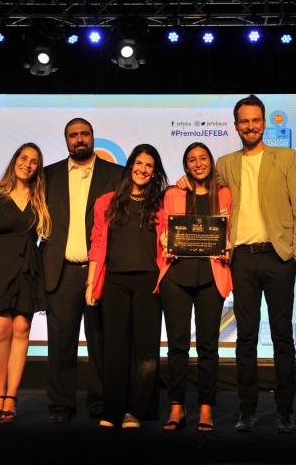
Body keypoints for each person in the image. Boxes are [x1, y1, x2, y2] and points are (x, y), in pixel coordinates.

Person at [178, 94, 296, 433]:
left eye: (256, 120)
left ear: (264, 123)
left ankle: (285, 411)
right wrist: (185, 182)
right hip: (241, 260)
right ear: (236, 125)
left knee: (282, 336)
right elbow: (206, 192)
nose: (250, 126)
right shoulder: (224, 163)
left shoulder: (287, 157)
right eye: (244, 121)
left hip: (279, 258)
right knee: (245, 338)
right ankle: (247, 411)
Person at [0, 118, 123, 423]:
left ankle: (99, 404)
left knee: (100, 343)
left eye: (84, 134)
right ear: (66, 140)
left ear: (93, 137)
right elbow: (15, 193)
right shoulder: (47, 176)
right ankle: (61, 406)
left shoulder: (117, 175)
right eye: (73, 135)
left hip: (100, 272)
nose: (79, 139)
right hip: (61, 272)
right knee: (60, 344)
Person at [85, 144, 168, 429]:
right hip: (114, 282)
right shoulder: (105, 202)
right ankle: (112, 411)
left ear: (154, 172)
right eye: (139, 163)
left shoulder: (161, 203)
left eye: (149, 165)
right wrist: (90, 282)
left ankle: (136, 411)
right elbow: (97, 244)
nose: (143, 169)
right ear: (130, 165)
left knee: (145, 350)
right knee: (115, 348)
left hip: (149, 282)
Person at [154, 142, 232, 433]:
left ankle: (206, 408)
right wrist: (166, 243)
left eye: (203, 158)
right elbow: (163, 229)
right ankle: (177, 406)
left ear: (211, 162)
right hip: (176, 276)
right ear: (185, 166)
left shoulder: (225, 194)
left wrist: (228, 248)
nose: (198, 163)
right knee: (177, 347)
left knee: (208, 348)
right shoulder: (173, 193)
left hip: (211, 277)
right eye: (191, 159)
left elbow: (230, 230)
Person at [0, 143, 52, 424]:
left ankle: (11, 397)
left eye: (34, 161)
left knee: (21, 329)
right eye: (24, 158)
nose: (28, 164)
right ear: (15, 160)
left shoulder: (42, 197)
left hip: (29, 267)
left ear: (37, 168)